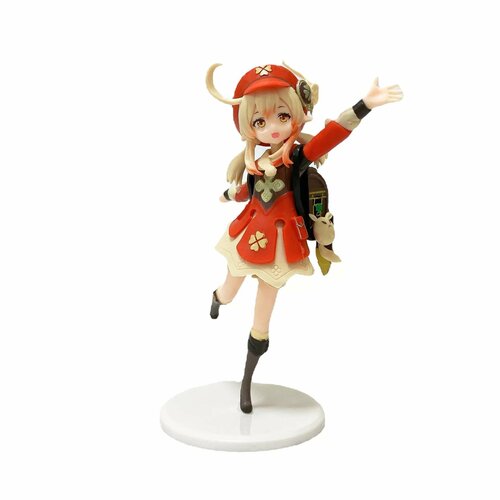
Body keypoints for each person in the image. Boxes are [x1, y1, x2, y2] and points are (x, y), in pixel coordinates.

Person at [206, 63, 403, 413]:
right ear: (249, 127)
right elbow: (247, 192)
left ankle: (246, 383)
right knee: (229, 291)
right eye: (260, 122)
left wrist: (364, 105)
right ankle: (217, 300)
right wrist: (227, 195)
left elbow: (332, 135)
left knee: (262, 318)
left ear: (297, 113)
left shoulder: (298, 158)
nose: (272, 127)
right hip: (248, 235)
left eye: (282, 116)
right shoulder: (255, 163)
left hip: (282, 245)